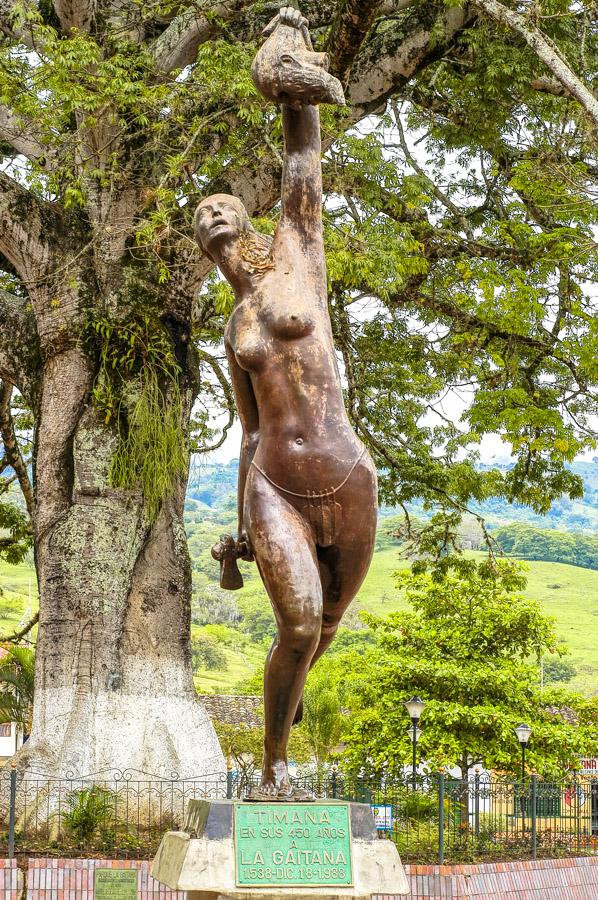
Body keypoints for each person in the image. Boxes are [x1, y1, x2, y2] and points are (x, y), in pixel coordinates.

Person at [194, 7, 377, 800]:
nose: (211, 213)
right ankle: (274, 768)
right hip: (274, 482)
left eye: (220, 204)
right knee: (299, 624)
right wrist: (242, 517)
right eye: (198, 214)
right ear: (201, 242)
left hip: (346, 474)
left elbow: (304, 160)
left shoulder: (300, 254)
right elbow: (247, 427)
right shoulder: (233, 327)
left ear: (246, 214)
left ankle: (286, 699)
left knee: (323, 630)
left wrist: (291, 77)